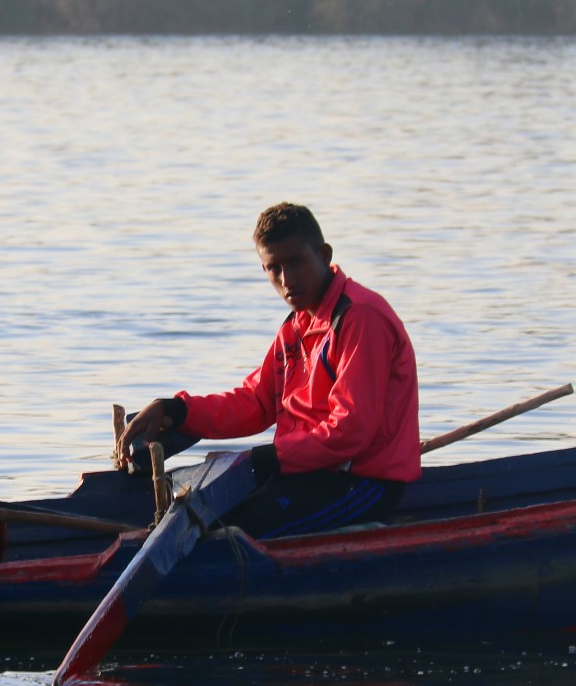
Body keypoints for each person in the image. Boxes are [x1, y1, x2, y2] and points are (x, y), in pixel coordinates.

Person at [117, 203, 420, 538]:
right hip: (306, 473)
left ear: (323, 254)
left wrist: (265, 460)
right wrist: (177, 409)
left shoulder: (360, 318)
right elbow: (256, 403)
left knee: (217, 532)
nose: (287, 280)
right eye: (274, 268)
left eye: (295, 262)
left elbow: (351, 432)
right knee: (191, 507)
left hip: (363, 484)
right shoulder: (296, 326)